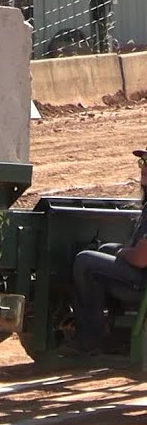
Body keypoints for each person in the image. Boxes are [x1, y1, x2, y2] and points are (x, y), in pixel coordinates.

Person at [60, 149, 147, 358]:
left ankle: (89, 339)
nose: (143, 167)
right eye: (143, 162)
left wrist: (123, 252)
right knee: (105, 251)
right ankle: (111, 334)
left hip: (142, 282)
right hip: (141, 277)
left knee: (85, 262)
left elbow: (142, 258)